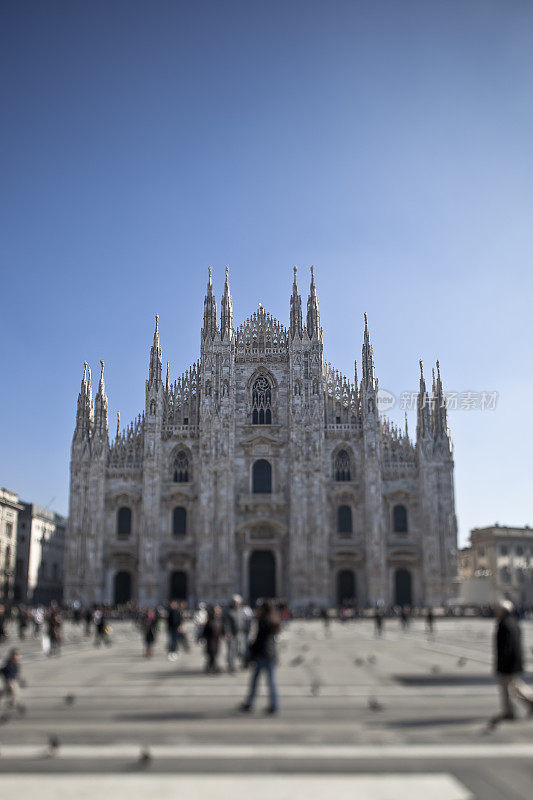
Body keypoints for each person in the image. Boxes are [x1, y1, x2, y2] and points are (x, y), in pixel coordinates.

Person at [492, 599, 533, 721]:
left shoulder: (503, 624)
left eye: (498, 610)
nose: (497, 612)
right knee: (515, 686)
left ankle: (509, 711)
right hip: (514, 662)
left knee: (506, 688)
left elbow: (506, 646)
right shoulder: (514, 622)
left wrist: (502, 663)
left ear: (503, 611)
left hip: (507, 663)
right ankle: (529, 701)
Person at [240, 600, 280, 714]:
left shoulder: (263, 620)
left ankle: (249, 703)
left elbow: (258, 639)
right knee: (271, 681)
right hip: (271, 654)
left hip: (262, 654)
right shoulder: (274, 620)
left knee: (255, 681)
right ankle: (274, 705)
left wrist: (251, 651)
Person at [224, 595, 248, 672]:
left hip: (241, 633)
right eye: (234, 602)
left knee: (242, 649)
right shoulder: (228, 611)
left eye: (237, 602)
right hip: (231, 634)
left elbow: (245, 621)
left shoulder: (242, 611)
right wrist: (227, 633)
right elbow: (226, 623)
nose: (236, 604)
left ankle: (243, 663)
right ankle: (231, 665)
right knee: (231, 650)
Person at [0, 649, 23, 713]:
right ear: (13, 655)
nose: (18, 656)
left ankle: (14, 703)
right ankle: (13, 705)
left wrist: (19, 678)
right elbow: (4, 670)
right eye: (16, 655)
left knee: (6, 691)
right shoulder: (9, 663)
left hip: (12, 680)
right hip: (10, 681)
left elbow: (16, 672)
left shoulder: (15, 663)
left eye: (18, 655)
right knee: (14, 693)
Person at [202, 605, 223, 673]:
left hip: (216, 640)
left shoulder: (219, 619)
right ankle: (213, 667)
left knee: (214, 654)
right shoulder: (210, 619)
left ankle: (210, 667)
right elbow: (205, 630)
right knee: (212, 654)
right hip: (210, 640)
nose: (218, 611)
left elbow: (222, 628)